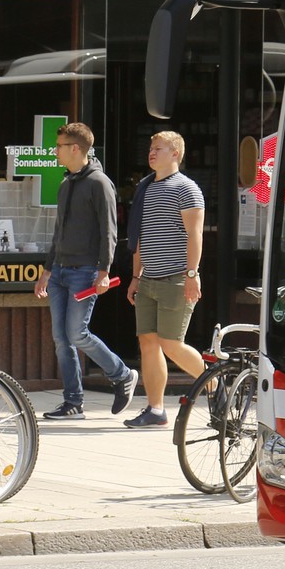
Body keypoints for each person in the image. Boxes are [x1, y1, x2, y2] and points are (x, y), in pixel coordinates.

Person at [34, 122, 138, 419]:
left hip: (84, 271)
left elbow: (110, 231)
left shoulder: (99, 183)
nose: (55, 151)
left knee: (77, 334)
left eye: (60, 146)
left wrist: (104, 270)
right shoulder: (66, 183)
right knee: (61, 339)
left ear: (76, 148)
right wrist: (47, 270)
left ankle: (121, 374)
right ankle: (73, 402)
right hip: (60, 272)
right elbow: (58, 231)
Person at [124, 130, 206, 427]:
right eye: (151, 148)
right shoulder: (146, 188)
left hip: (176, 278)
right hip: (148, 279)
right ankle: (155, 409)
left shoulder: (187, 188)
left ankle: (216, 385)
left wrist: (192, 274)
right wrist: (136, 276)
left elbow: (195, 235)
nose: (152, 152)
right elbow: (140, 237)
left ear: (175, 154)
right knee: (148, 343)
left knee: (171, 343)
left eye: (158, 148)